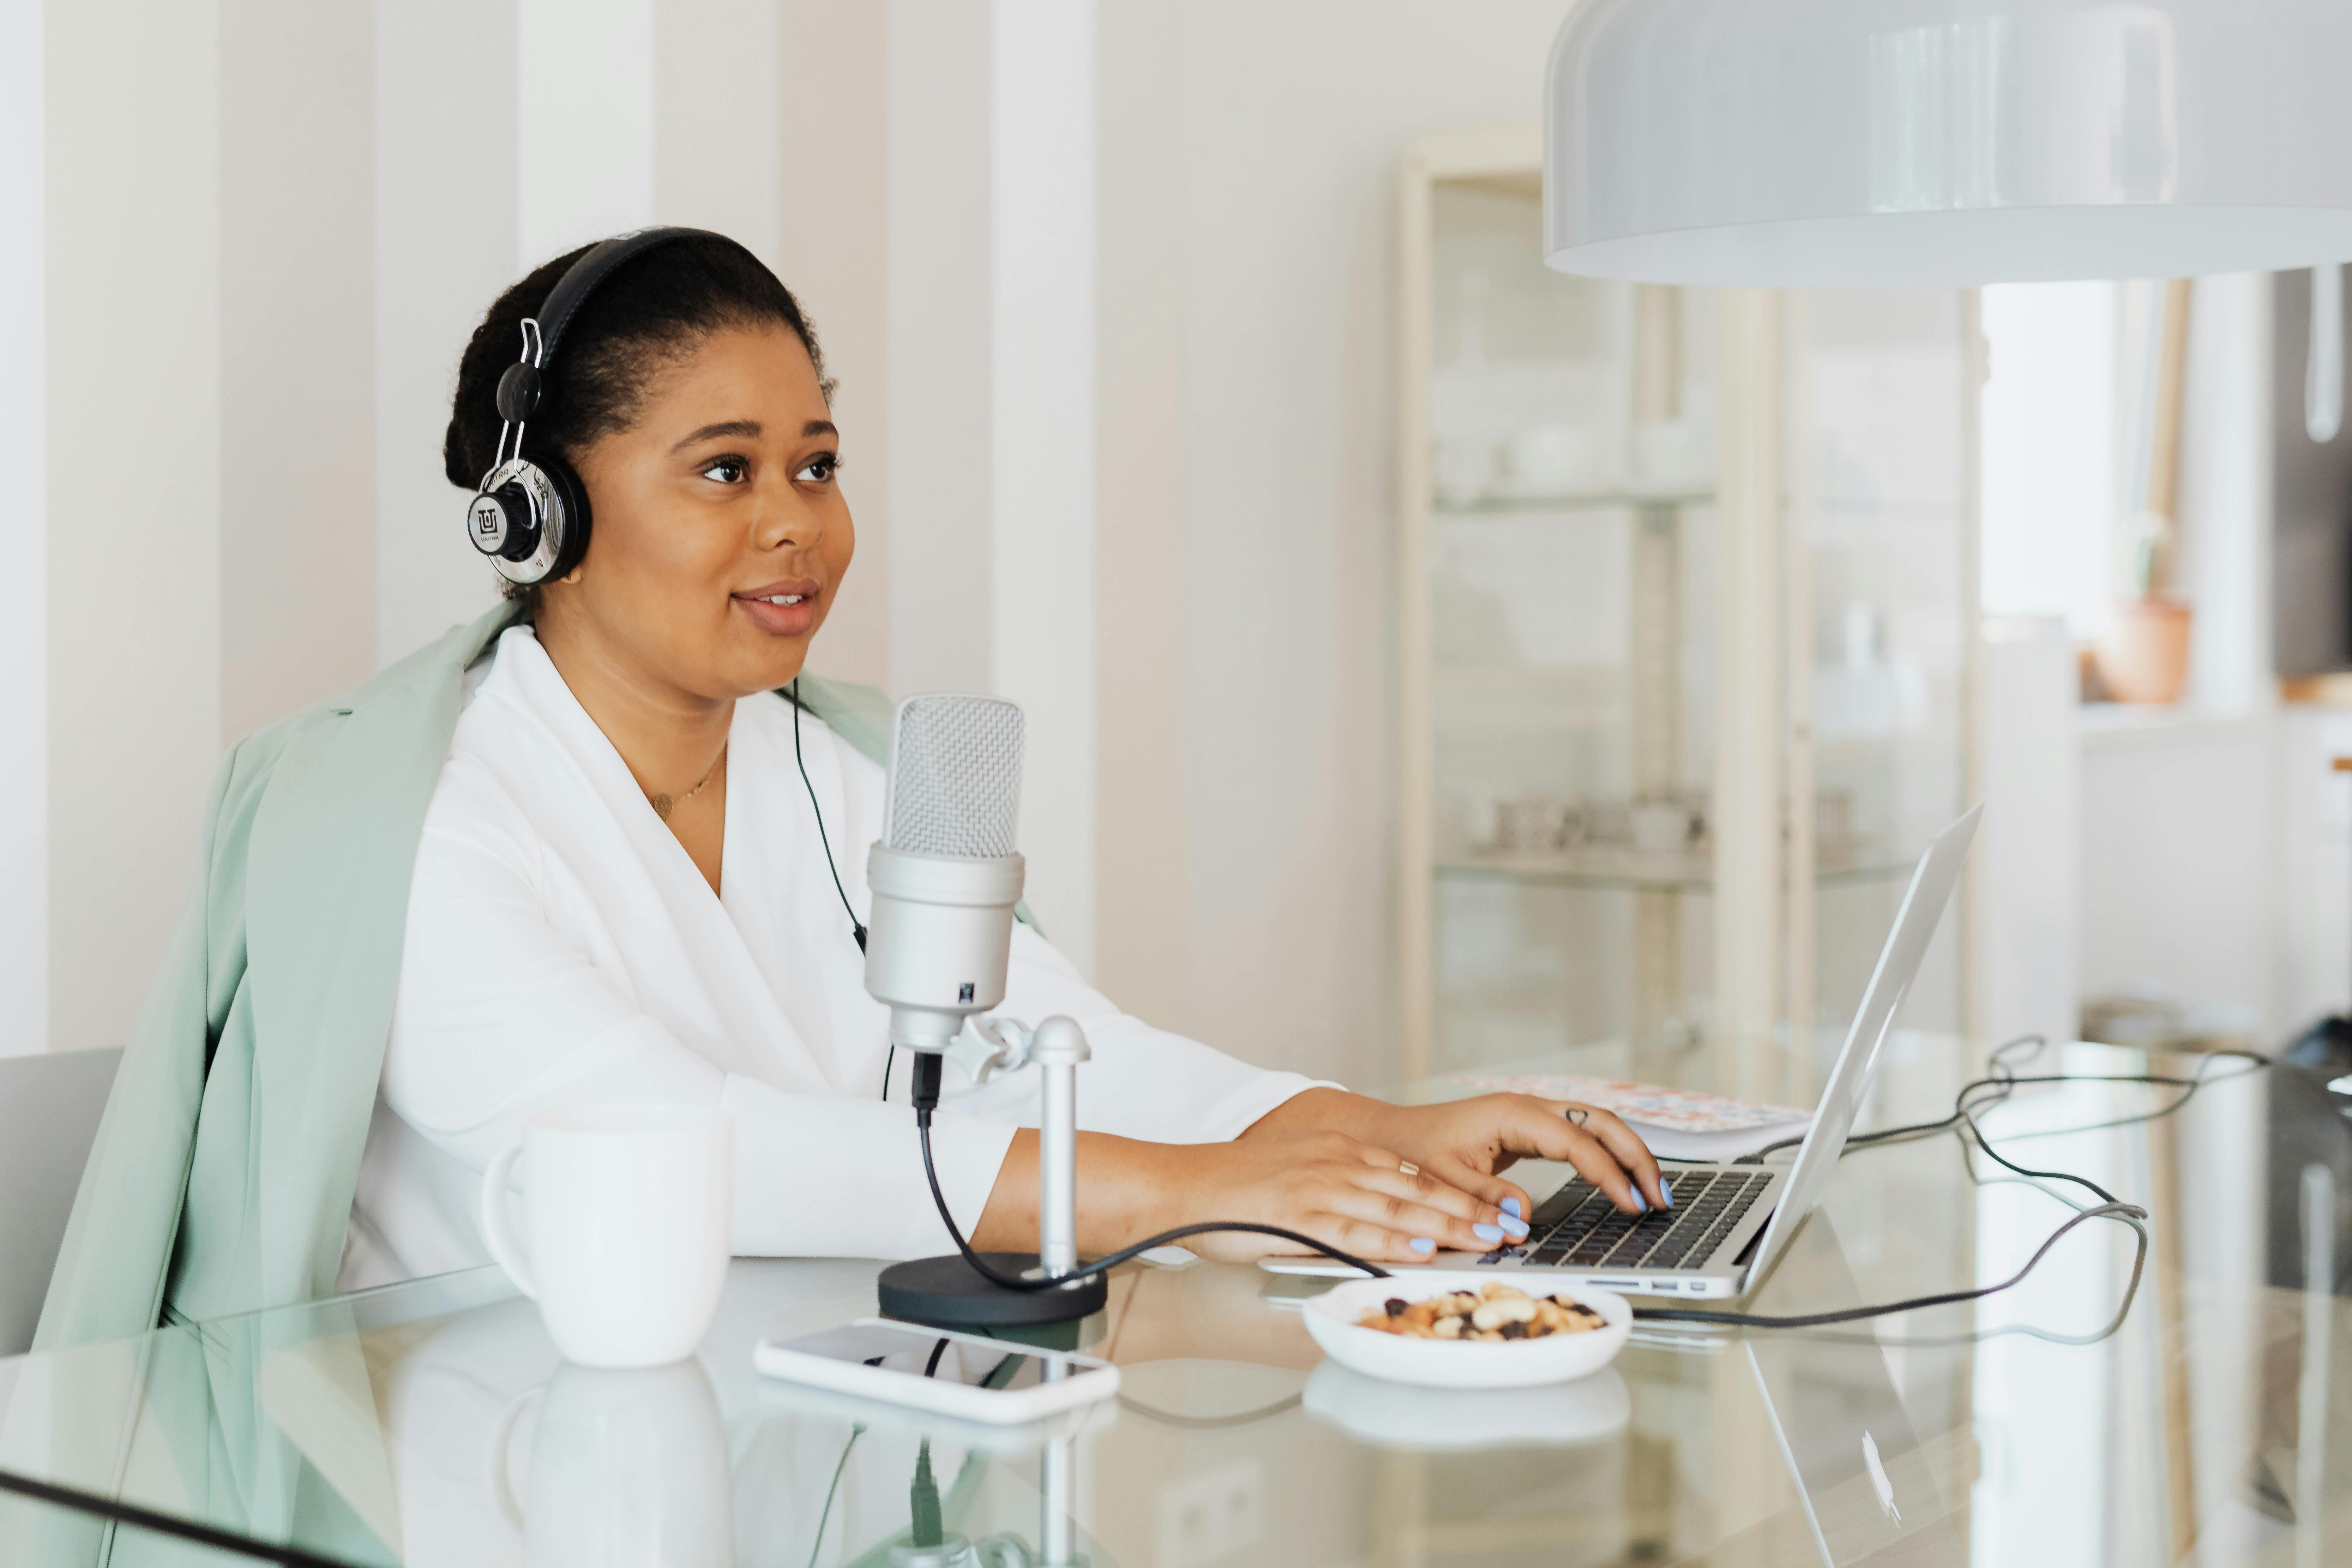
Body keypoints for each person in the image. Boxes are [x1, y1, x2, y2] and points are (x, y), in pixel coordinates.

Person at [39, 231, 1665, 1347]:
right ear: (537, 517)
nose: (798, 527)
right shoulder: (408, 828)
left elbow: (1068, 1056)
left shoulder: (854, 764)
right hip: (486, 1485)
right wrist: (1212, 1189)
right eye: (724, 470)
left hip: (803, 1445)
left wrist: (1380, 1128)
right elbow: (693, 1147)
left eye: (816, 464)